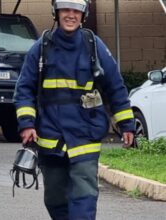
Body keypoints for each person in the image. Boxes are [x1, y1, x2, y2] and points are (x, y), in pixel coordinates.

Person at [13, 0, 135, 219]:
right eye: (66, 10)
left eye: (76, 11)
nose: (71, 15)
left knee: (84, 194)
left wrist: (126, 124)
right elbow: (24, 89)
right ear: (56, 13)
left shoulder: (93, 44)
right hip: (51, 135)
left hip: (84, 133)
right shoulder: (41, 47)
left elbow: (115, 86)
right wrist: (27, 124)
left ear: (83, 15)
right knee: (55, 198)